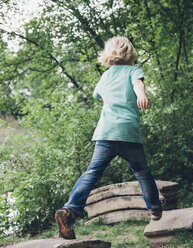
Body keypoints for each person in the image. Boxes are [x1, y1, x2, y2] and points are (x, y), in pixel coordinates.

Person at [55, 37, 163, 240]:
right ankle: (155, 209)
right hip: (127, 133)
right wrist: (140, 95)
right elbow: (138, 84)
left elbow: (97, 95)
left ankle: (69, 211)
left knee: (92, 172)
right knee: (142, 172)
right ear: (130, 53)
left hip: (105, 133)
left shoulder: (105, 77)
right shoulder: (133, 71)